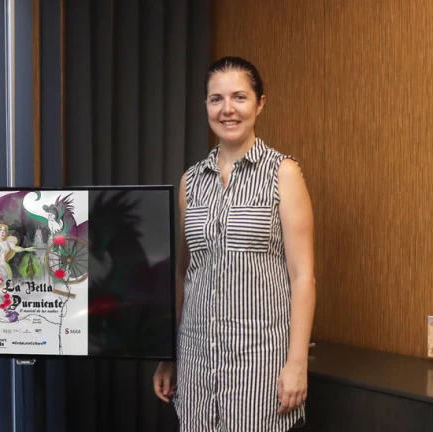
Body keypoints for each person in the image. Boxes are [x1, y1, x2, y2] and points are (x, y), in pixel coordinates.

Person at [153, 56, 316, 430]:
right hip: (196, 362)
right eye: (216, 99)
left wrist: (297, 364)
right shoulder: (191, 181)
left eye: (239, 97)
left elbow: (303, 276)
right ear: (206, 106)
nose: (227, 109)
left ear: (260, 104)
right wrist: (168, 355)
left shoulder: (283, 173)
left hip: (259, 364)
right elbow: (182, 275)